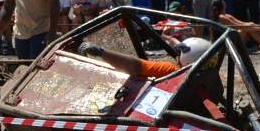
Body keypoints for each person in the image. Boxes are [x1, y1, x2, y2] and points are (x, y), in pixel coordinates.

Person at [77, 36, 210, 79]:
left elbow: (135, 66)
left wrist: (101, 52)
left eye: (179, 54)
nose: (176, 56)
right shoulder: (209, 74)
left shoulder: (172, 70)